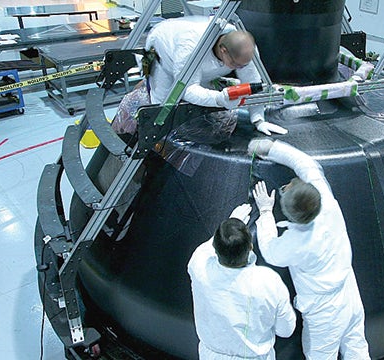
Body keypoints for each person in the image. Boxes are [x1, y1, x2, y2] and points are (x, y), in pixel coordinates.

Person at [250, 139, 371, 360]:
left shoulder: (297, 242)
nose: (287, 186)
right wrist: (271, 148)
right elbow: (306, 165)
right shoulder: (326, 201)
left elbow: (269, 251)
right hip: (349, 291)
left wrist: (266, 212)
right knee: (357, 348)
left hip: (325, 312)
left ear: (289, 213)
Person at [145, 16, 287, 136]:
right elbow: (186, 89)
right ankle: (159, 149)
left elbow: (252, 83)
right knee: (162, 110)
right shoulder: (191, 48)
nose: (238, 69)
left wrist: (258, 119)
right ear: (223, 50)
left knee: (205, 110)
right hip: (163, 52)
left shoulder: (244, 49)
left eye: (242, 66)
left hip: (201, 64)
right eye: (234, 64)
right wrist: (219, 99)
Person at [187, 203, 296, 359]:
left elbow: (207, 248)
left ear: (215, 248)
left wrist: (233, 222)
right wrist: (265, 212)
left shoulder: (198, 266)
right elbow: (286, 330)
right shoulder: (269, 282)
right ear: (251, 246)